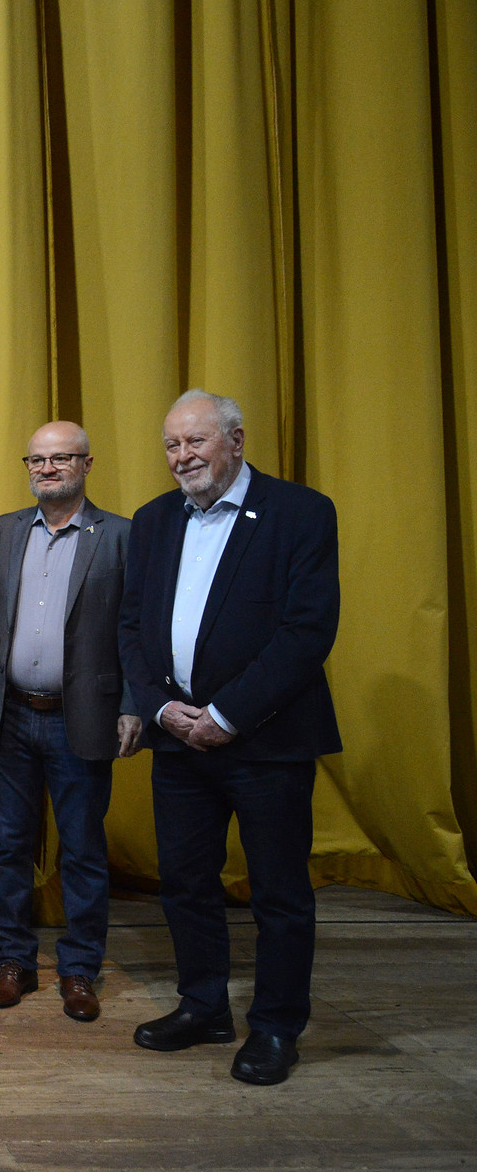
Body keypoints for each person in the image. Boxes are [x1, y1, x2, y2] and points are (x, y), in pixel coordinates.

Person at [120, 390, 340, 1086]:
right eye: (172, 445)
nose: (183, 456)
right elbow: (131, 626)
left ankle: (275, 1026)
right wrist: (162, 709)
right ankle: (203, 1006)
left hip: (266, 742)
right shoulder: (153, 519)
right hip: (177, 739)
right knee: (185, 884)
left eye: (197, 441)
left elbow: (307, 632)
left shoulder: (301, 512)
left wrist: (226, 713)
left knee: (278, 893)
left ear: (236, 441)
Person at [0, 421, 142, 1022]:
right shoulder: (0, 533)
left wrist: (132, 703)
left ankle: (79, 969)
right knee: (8, 848)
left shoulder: (121, 536)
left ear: (87, 464)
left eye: (61, 458)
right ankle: (15, 961)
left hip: (84, 719)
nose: (47, 469)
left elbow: (137, 629)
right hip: (10, 717)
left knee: (82, 851)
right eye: (37, 460)